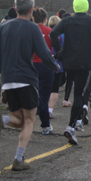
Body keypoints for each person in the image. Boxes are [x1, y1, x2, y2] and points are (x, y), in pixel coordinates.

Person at [0, 0, 60, 171]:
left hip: (9, 82)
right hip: (27, 80)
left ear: (15, 7)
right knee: (29, 121)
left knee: (19, 120)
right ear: (32, 10)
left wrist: (1, 68)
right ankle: (18, 159)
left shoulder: (3, 27)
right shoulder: (33, 28)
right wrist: (56, 67)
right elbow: (44, 54)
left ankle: (2, 119)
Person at [50, 0, 91, 145]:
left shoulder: (67, 20)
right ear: (87, 7)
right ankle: (71, 126)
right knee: (80, 94)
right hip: (85, 62)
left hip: (69, 62)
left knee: (74, 90)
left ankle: (76, 123)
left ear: (75, 7)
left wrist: (60, 50)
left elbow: (53, 33)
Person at [32, 7, 55, 135]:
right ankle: (45, 125)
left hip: (31, 65)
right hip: (46, 65)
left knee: (31, 94)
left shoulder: (30, 31)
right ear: (45, 19)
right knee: (44, 96)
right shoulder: (50, 32)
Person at [47, 15, 63, 120]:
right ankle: (50, 110)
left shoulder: (46, 33)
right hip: (58, 63)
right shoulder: (62, 35)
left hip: (46, 62)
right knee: (55, 89)